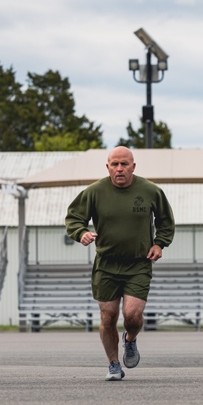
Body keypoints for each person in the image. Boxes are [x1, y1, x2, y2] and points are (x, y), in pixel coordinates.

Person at [65, 145, 175, 381]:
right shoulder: (95, 192)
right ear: (108, 167)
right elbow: (74, 217)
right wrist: (81, 232)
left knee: (132, 316)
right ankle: (114, 364)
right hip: (106, 263)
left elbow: (165, 221)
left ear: (133, 166)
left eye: (124, 164)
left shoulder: (150, 190)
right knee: (108, 316)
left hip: (138, 264)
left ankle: (130, 339)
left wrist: (159, 244)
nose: (119, 168)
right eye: (114, 164)